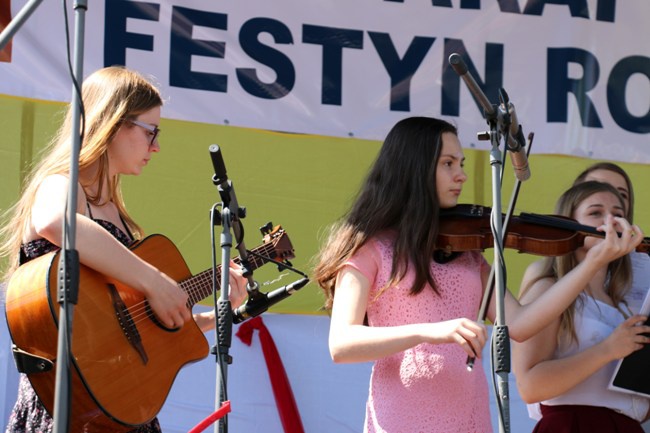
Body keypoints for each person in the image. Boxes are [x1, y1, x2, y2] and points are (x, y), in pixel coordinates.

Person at [313, 116, 643, 433]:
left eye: (461, 164)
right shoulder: (370, 248)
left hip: (469, 418)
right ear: (414, 168)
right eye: (448, 164)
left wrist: (590, 264)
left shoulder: (468, 254)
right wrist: (432, 332)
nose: (461, 175)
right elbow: (342, 343)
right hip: (401, 418)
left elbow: (521, 325)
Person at [0, 66, 247, 432]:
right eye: (152, 131)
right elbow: (57, 221)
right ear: (114, 123)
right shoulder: (61, 186)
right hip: (67, 407)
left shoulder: (113, 211)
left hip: (120, 409)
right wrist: (155, 281)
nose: (157, 146)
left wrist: (213, 317)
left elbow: (124, 331)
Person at [512, 181, 650, 432]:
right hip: (573, 424)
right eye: (596, 212)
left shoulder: (624, 307)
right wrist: (607, 350)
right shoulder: (548, 289)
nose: (611, 222)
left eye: (619, 215)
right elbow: (530, 387)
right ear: (570, 224)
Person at [572, 162, 650, 315]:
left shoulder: (642, 263)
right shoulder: (547, 274)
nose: (610, 198)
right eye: (595, 187)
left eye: (621, 195)